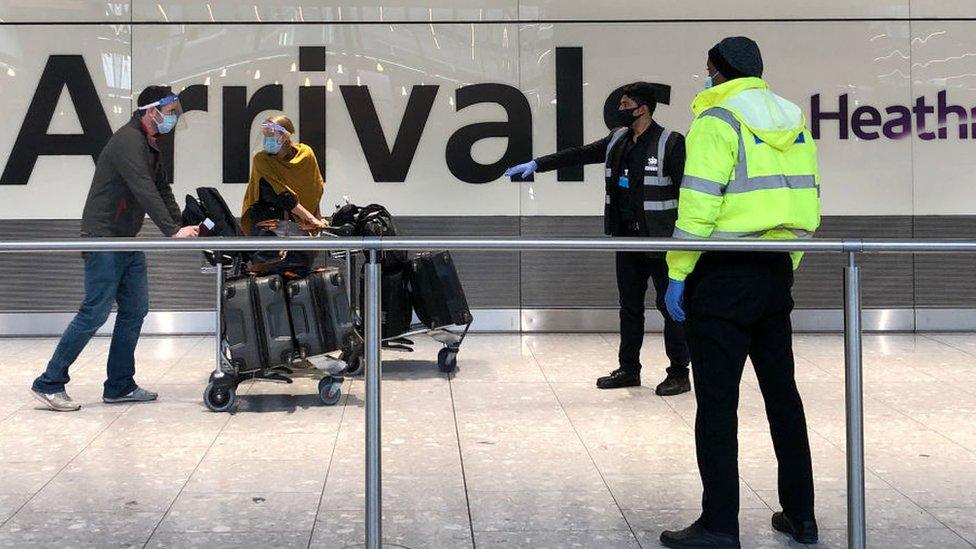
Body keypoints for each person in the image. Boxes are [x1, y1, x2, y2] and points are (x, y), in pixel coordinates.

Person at [660, 37, 821, 548]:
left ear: (718, 71)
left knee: (717, 404)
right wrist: (786, 263)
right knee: (783, 399)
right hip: (774, 275)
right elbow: (806, 199)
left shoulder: (717, 121)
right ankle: (801, 515)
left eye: (706, 70)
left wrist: (679, 272)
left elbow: (699, 205)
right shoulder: (794, 120)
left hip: (722, 276)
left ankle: (719, 524)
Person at [505, 82, 692, 395]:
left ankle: (679, 373)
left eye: (624, 104)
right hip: (627, 239)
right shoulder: (618, 139)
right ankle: (629, 369)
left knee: (669, 307)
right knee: (629, 307)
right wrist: (538, 164)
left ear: (643, 108)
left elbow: (686, 195)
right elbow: (579, 154)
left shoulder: (670, 142)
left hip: (661, 241)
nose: (618, 110)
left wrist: (686, 242)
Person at [30, 85, 200, 412]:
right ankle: (49, 382)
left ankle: (120, 385)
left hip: (124, 239)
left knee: (136, 309)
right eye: (170, 112)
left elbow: (162, 188)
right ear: (152, 111)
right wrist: (171, 230)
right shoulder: (127, 141)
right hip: (103, 238)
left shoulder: (150, 145)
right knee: (94, 311)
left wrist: (180, 222)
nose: (174, 118)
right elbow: (143, 188)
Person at [241, 115, 326, 236]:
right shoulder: (261, 159)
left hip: (301, 224)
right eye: (265, 135)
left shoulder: (306, 154)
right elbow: (285, 197)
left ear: (285, 135)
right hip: (269, 224)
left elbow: (313, 189)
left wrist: (318, 217)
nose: (267, 139)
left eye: (271, 134)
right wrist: (312, 219)